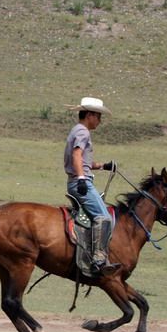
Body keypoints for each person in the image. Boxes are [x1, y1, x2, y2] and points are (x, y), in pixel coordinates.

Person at [64, 96, 121, 276]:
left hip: (78, 180)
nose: (99, 121)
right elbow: (76, 155)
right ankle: (98, 259)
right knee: (104, 217)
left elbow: (84, 161)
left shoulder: (77, 130)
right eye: (98, 116)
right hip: (80, 183)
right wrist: (81, 178)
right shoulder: (83, 132)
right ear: (89, 115)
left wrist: (103, 166)